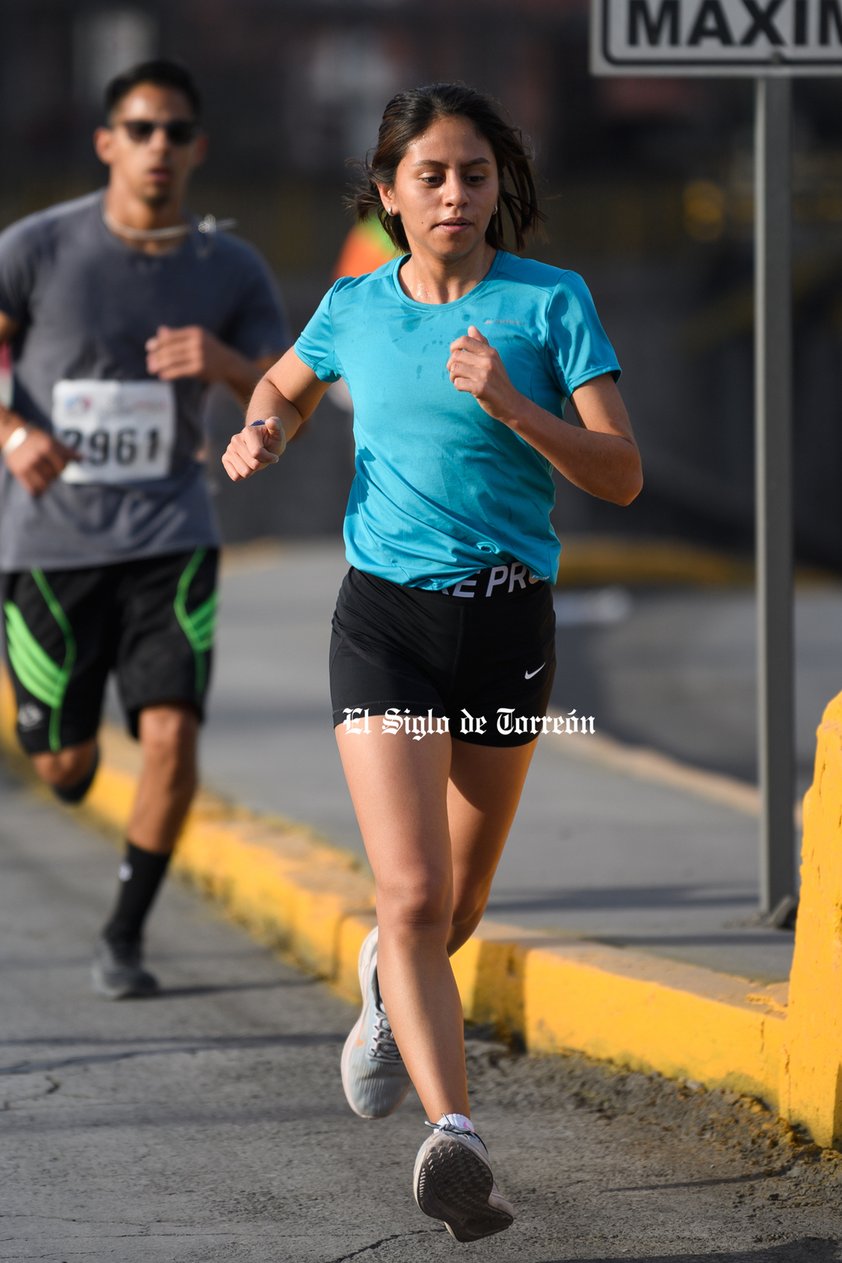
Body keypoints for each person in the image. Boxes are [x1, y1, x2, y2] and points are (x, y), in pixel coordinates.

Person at [222, 82, 642, 1242]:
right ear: (389, 193)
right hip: (386, 623)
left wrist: (514, 407)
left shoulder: (551, 304)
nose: (452, 194)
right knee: (407, 893)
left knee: (449, 911)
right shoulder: (354, 304)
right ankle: (453, 1138)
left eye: (471, 173)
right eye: (429, 176)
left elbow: (618, 474)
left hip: (508, 627)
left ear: (498, 185)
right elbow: (284, 385)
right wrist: (263, 424)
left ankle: (376, 993)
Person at [0, 59, 289, 1000]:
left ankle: (123, 934)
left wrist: (223, 361)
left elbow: (291, 393)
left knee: (171, 734)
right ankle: (68, 750)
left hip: (171, 533)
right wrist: (12, 429)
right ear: (107, 141)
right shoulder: (39, 247)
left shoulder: (229, 268)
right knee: (65, 764)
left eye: (174, 131)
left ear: (197, 147)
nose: (157, 145)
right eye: (140, 128)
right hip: (50, 545)